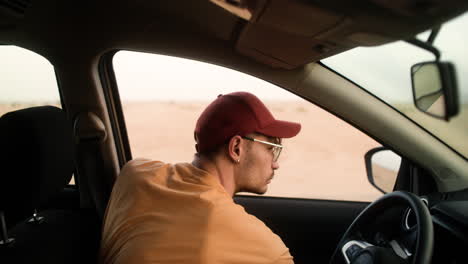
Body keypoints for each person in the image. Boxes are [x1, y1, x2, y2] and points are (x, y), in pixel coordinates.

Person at [100, 91, 301, 264]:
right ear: (236, 148)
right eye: (271, 149)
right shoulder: (268, 251)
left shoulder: (135, 173)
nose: (276, 163)